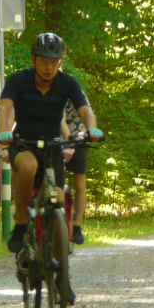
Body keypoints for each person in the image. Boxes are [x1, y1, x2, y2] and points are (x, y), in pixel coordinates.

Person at [0, 33, 102, 303]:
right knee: (28, 167)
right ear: (34, 60)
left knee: (58, 203)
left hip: (53, 148)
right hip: (24, 144)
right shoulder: (19, 80)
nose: (49, 67)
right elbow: (3, 109)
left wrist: (92, 127)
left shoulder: (67, 83)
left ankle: (61, 277)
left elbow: (84, 109)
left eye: (54, 61)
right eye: (43, 61)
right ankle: (20, 226)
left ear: (60, 62)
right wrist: (4, 133)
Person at [62, 97, 93, 246]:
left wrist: (80, 137)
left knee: (80, 183)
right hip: (57, 138)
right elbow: (58, 120)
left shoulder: (75, 91)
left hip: (79, 140)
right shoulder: (47, 93)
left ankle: (77, 226)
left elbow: (88, 115)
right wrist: (68, 143)